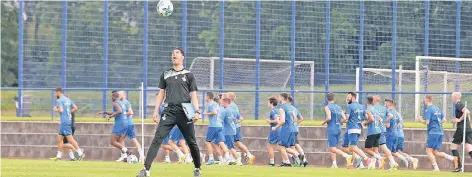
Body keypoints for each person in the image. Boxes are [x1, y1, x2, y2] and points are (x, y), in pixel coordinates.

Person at [137, 48, 202, 177]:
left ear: (182, 57)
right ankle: (146, 170)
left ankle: (197, 169)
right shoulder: (166, 74)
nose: (174, 54)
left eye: (177, 53)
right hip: (169, 111)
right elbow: (161, 94)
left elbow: (193, 95)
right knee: (157, 139)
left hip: (185, 111)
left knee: (191, 141)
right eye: (172, 53)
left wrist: (197, 112)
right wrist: (156, 111)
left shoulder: (189, 75)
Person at [416, 95, 459, 171]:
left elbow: (427, 122)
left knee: (428, 151)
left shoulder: (429, 109)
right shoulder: (437, 108)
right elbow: (444, 120)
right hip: (440, 132)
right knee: (435, 152)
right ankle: (453, 158)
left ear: (427, 100)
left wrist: (420, 120)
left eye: (424, 100)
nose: (424, 102)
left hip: (433, 132)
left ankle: (436, 168)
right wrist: (437, 124)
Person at [52, 87, 85, 161]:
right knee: (59, 139)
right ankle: (59, 156)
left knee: (70, 139)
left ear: (58, 92)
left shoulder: (59, 100)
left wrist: (55, 109)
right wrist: (69, 112)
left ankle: (80, 153)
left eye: (55, 92)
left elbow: (60, 110)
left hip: (64, 122)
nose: (54, 94)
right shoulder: (68, 99)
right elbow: (76, 108)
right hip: (67, 121)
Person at [98, 91, 131, 161]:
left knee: (112, 141)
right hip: (125, 123)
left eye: (111, 97)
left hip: (120, 124)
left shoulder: (115, 103)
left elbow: (119, 111)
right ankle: (125, 157)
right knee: (120, 140)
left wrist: (110, 116)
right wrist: (105, 112)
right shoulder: (121, 102)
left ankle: (127, 151)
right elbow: (117, 111)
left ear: (113, 97)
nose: (111, 98)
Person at [385, 99, 418, 169]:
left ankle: (407, 159)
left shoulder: (389, 113)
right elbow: (400, 124)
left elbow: (389, 125)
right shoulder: (397, 114)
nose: (384, 105)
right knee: (396, 151)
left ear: (389, 104)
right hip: (399, 134)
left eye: (385, 104)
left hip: (393, 133)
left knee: (390, 151)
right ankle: (409, 159)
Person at [321, 93, 351, 168]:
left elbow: (329, 118)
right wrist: (340, 122)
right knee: (334, 147)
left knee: (332, 148)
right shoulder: (339, 107)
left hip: (332, 128)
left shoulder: (327, 107)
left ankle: (346, 156)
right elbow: (344, 118)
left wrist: (323, 122)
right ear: (334, 99)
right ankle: (334, 164)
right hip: (338, 128)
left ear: (327, 99)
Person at [345, 92, 373, 169]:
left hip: (352, 128)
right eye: (347, 97)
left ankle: (367, 159)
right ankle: (359, 160)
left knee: (353, 147)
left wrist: (342, 120)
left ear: (353, 97)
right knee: (351, 147)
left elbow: (346, 117)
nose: (347, 98)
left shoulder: (350, 106)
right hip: (358, 128)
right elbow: (366, 117)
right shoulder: (361, 106)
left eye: (348, 97)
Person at [227, 92, 255, 165]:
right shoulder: (234, 105)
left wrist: (233, 122)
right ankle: (248, 154)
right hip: (236, 127)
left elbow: (234, 117)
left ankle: (234, 158)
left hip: (233, 128)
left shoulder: (230, 106)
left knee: (229, 143)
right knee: (238, 143)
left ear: (229, 98)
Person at [272, 93, 300, 167]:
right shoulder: (292, 107)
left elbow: (282, 121)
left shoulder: (282, 108)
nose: (278, 98)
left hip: (287, 129)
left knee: (281, 146)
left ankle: (291, 159)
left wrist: (275, 127)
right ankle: (292, 159)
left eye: (279, 97)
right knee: (288, 146)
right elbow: (296, 118)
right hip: (295, 128)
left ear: (282, 98)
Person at [116, 91, 144, 163]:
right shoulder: (120, 102)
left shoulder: (125, 102)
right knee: (133, 139)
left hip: (126, 124)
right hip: (129, 123)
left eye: (120, 94)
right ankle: (141, 155)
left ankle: (124, 156)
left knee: (120, 139)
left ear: (124, 95)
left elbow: (131, 112)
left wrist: (122, 114)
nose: (118, 95)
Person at [204, 92, 230, 165]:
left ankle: (211, 158)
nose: (205, 98)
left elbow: (214, 112)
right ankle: (226, 157)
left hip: (213, 126)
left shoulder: (211, 104)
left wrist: (206, 113)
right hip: (219, 126)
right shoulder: (216, 104)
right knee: (221, 142)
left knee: (207, 142)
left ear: (208, 97)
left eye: (206, 96)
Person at [373, 95, 398, 170]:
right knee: (382, 147)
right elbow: (391, 116)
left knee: (374, 149)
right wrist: (384, 121)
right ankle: (390, 163)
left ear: (374, 100)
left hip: (376, 130)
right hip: (383, 130)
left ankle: (380, 162)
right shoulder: (384, 108)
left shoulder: (373, 108)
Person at [450, 92, 472, 172]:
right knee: (469, 148)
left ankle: (458, 167)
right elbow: (467, 116)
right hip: (468, 128)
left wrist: (459, 120)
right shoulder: (460, 104)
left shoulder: (458, 104)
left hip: (461, 129)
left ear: (455, 97)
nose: (451, 98)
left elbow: (467, 112)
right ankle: (459, 167)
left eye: (452, 97)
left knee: (453, 147)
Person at [363, 96, 385, 170]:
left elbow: (372, 119)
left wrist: (366, 123)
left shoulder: (368, 110)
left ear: (366, 102)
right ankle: (374, 165)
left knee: (367, 150)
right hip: (378, 131)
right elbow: (380, 120)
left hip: (372, 132)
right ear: (373, 102)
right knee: (375, 151)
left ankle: (380, 158)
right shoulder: (375, 109)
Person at [286, 95, 305, 167]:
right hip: (295, 129)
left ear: (286, 99)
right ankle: (300, 159)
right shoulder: (294, 108)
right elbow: (301, 118)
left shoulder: (285, 108)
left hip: (288, 130)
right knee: (294, 145)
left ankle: (297, 159)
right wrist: (295, 123)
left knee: (285, 147)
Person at [221, 96, 239, 165]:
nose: (222, 103)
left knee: (230, 147)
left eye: (223, 101)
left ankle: (238, 159)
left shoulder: (225, 111)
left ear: (226, 102)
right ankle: (230, 159)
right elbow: (239, 118)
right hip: (233, 130)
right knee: (227, 146)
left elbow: (220, 120)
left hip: (228, 132)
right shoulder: (233, 111)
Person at [266, 96, 280, 167]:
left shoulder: (273, 111)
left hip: (275, 129)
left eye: (268, 102)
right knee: (280, 147)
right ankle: (295, 156)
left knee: (269, 146)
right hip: (279, 129)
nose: (267, 104)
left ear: (271, 103)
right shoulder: (277, 110)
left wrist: (269, 121)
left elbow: (277, 120)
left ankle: (272, 162)